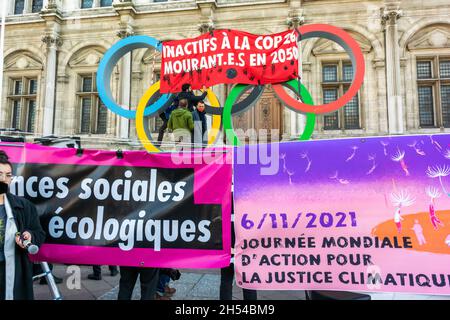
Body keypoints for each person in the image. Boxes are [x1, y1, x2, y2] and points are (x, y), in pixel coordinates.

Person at [0, 150, 45, 300]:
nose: (4, 179)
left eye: (8, 175)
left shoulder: (24, 206)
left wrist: (30, 235)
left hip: (12, 271)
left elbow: (39, 233)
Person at [220, 194, 257, 300]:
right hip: (246, 240)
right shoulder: (249, 188)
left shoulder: (226, 186)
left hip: (228, 238)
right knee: (249, 280)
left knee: (226, 279)